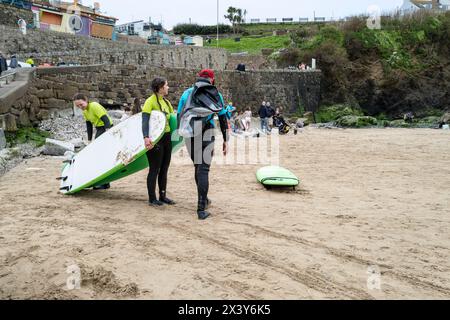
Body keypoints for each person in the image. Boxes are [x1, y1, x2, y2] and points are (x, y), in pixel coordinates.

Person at [178, 69, 229, 220]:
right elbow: (222, 117)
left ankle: (204, 200)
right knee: (204, 169)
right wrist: (226, 139)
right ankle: (201, 208)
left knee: (198, 167)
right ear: (212, 80)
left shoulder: (187, 93)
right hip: (207, 131)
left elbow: (179, 114)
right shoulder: (216, 94)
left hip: (189, 133)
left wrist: (179, 134)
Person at [142, 77, 176, 207]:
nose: (168, 88)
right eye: (166, 86)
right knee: (154, 169)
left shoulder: (166, 102)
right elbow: (144, 121)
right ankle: (152, 199)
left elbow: (172, 120)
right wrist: (146, 137)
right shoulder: (149, 102)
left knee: (164, 168)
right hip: (155, 139)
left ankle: (163, 196)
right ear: (160, 87)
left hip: (167, 138)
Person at [73, 94, 113, 190]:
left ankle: (105, 183)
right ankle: (105, 183)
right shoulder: (85, 111)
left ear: (86, 100)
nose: (80, 107)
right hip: (99, 129)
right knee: (100, 156)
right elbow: (89, 125)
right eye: (77, 106)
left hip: (106, 128)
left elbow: (105, 119)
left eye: (81, 104)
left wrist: (109, 134)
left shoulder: (94, 105)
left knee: (101, 157)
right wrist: (89, 140)